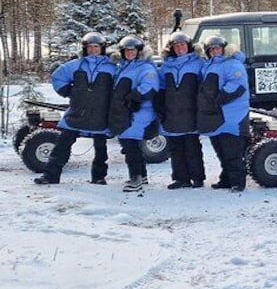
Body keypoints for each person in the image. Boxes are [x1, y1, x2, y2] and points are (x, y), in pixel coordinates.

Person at [35, 32, 117, 185]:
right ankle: (50, 175)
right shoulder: (77, 65)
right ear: (85, 49)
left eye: (96, 47)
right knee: (62, 145)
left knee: (101, 149)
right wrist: (68, 91)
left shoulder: (111, 68)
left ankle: (98, 177)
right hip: (76, 113)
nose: (93, 50)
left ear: (102, 48)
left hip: (101, 114)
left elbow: (122, 84)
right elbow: (57, 76)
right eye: (90, 47)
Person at [197, 35, 250, 192]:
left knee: (232, 152)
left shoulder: (232, 64)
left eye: (217, 48)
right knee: (221, 151)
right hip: (218, 116)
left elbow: (237, 85)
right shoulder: (210, 65)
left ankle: (238, 182)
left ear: (224, 48)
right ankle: (226, 179)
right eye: (211, 49)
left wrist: (218, 99)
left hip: (232, 114)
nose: (214, 51)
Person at [108, 35, 159, 193]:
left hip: (141, 110)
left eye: (133, 50)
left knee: (130, 143)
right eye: (127, 50)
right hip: (128, 110)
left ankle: (135, 177)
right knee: (130, 143)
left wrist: (133, 97)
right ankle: (142, 175)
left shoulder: (145, 67)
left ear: (139, 51)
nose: (130, 53)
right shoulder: (124, 67)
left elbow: (150, 86)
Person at [158, 31, 206, 189]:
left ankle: (197, 178)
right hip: (172, 111)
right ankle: (180, 178)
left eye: (182, 45)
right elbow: (161, 87)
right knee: (176, 147)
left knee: (192, 146)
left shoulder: (198, 63)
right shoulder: (166, 66)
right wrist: (161, 107)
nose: (180, 49)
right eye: (176, 46)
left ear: (189, 46)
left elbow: (205, 86)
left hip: (190, 110)